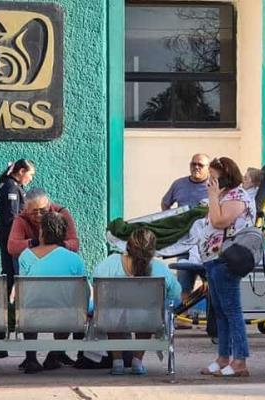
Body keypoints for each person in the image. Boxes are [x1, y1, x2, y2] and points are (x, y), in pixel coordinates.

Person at [93, 228, 182, 376]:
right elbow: (176, 293)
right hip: (148, 321)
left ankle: (117, 363)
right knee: (148, 312)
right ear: (152, 249)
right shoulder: (159, 268)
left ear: (128, 245)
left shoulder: (111, 263)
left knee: (112, 312)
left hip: (113, 320)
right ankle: (137, 362)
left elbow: (96, 283)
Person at [197, 156, 255, 378]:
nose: (209, 183)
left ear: (226, 178)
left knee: (232, 310)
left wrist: (212, 196)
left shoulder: (237, 196)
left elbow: (220, 221)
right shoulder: (221, 195)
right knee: (219, 312)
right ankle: (223, 357)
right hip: (213, 258)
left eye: (213, 178)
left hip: (227, 259)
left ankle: (240, 359)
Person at [17, 211, 87, 374]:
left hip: (32, 316)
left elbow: (22, 290)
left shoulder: (25, 256)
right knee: (70, 306)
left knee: (30, 304)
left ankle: (32, 358)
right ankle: (55, 353)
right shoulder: (74, 259)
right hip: (65, 316)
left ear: (41, 232)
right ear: (62, 234)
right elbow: (83, 292)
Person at [163, 154, 210, 308]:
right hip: (184, 241)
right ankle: (184, 313)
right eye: (193, 164)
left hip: (208, 242)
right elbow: (165, 203)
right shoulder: (179, 184)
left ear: (208, 168)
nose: (196, 167)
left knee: (212, 281)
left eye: (200, 165)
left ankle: (213, 316)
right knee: (184, 280)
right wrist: (172, 223)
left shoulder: (214, 185)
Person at [0, 159, 36, 292]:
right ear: (22, 171)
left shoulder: (14, 186)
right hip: (10, 235)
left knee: (11, 269)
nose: (31, 179)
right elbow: (12, 216)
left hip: (9, 235)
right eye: (30, 175)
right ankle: (9, 303)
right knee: (11, 271)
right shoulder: (11, 187)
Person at [7, 187, 80, 259]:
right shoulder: (21, 218)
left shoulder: (61, 213)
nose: (39, 215)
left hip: (57, 254)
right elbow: (12, 247)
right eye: (34, 212)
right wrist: (35, 242)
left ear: (49, 206)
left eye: (43, 211)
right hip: (33, 257)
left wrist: (57, 245)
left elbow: (74, 244)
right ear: (26, 210)